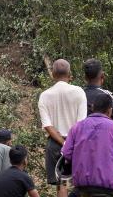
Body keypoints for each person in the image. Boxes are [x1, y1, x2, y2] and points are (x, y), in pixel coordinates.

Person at [60, 90, 113, 196]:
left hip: (82, 189)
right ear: (110, 111)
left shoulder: (77, 127)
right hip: (107, 189)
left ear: (92, 108)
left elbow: (67, 153)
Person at [39, 59, 88, 197]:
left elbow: (48, 126)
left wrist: (63, 143)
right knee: (82, 182)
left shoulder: (45, 96)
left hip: (56, 145)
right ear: (69, 73)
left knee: (62, 183)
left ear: (53, 74)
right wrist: (70, 144)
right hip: (77, 143)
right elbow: (81, 124)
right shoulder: (78, 92)